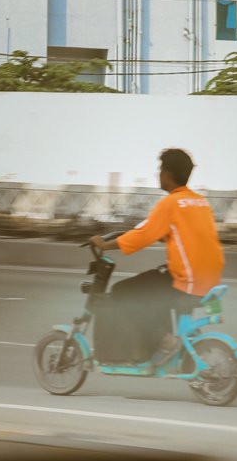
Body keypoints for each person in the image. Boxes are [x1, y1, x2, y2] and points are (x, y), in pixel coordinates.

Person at [90, 148, 225, 366]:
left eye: (160, 169)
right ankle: (165, 345)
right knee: (153, 282)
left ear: (168, 174)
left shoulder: (169, 204)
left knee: (124, 290)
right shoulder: (200, 202)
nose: (158, 174)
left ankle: (166, 341)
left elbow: (143, 235)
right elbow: (191, 234)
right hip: (209, 278)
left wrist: (105, 244)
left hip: (186, 281)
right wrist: (165, 236)